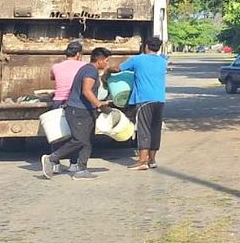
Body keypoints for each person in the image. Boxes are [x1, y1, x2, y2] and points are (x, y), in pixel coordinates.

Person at [41, 47, 112, 180]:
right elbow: (86, 90)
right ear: (100, 60)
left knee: (86, 141)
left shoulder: (88, 69)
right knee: (79, 140)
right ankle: (51, 158)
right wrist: (100, 106)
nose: (107, 64)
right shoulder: (90, 70)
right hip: (78, 111)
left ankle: (81, 169)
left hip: (85, 110)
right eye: (106, 61)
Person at [109, 36, 167, 170]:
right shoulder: (162, 61)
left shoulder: (138, 59)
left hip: (144, 99)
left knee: (144, 129)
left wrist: (107, 70)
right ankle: (152, 160)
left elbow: (118, 69)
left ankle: (142, 161)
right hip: (160, 99)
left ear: (146, 46)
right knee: (155, 129)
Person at [48, 41, 86, 174]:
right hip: (74, 101)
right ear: (78, 54)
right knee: (75, 134)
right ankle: (73, 163)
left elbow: (52, 77)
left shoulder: (56, 66)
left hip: (58, 101)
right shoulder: (84, 66)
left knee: (57, 133)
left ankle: (56, 164)